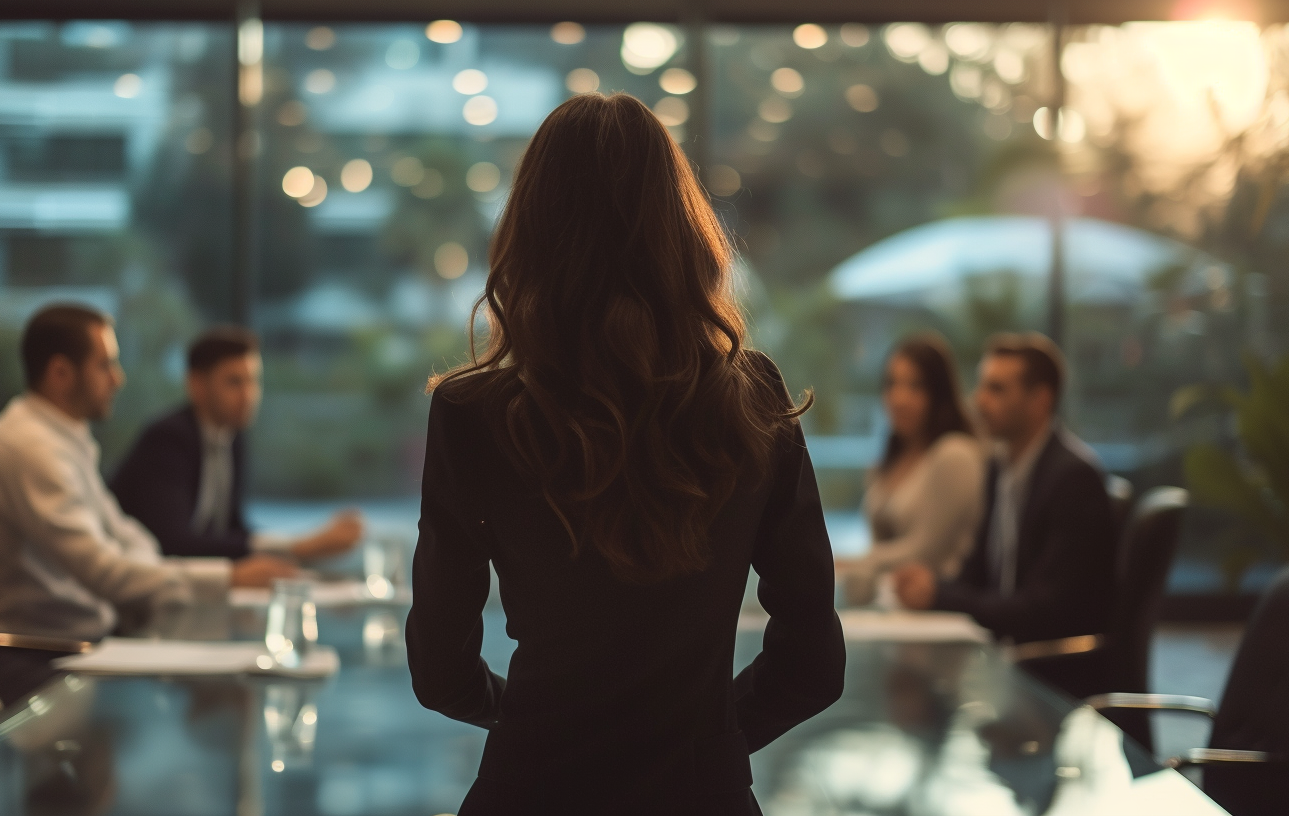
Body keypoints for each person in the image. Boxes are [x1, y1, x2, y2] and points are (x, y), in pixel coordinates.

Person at [405, 93, 845, 815]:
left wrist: (536, 729)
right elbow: (814, 666)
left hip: (532, 790)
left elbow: (439, 672)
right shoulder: (750, 396)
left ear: (531, 226)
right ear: (680, 229)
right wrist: (710, 740)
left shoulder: (473, 413)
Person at [0, 304, 298, 701]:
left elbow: (126, 535)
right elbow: (106, 573)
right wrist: (228, 578)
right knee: (185, 709)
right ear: (60, 374)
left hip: (71, 644)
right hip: (30, 658)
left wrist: (163, 573)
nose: (118, 379)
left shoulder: (62, 439)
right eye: (105, 365)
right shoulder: (31, 448)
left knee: (202, 693)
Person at [892, 332, 1117, 696]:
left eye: (996, 390)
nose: (979, 400)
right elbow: (979, 574)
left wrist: (941, 597)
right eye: (982, 386)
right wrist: (933, 586)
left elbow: (1043, 609)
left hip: (1051, 678)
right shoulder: (1001, 468)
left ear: (1040, 401)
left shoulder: (1073, 479)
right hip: (1005, 668)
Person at [110, 326, 363, 562]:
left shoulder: (231, 437)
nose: (249, 395)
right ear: (196, 385)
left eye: (253, 381)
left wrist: (292, 550)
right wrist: (299, 547)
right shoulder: (168, 439)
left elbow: (233, 530)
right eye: (234, 382)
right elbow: (174, 544)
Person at [838, 334, 985, 606]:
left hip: (942, 610)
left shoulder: (955, 453)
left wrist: (850, 562)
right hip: (895, 609)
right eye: (892, 384)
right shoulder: (890, 457)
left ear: (938, 393)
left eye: (915, 386)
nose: (899, 398)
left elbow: (925, 551)